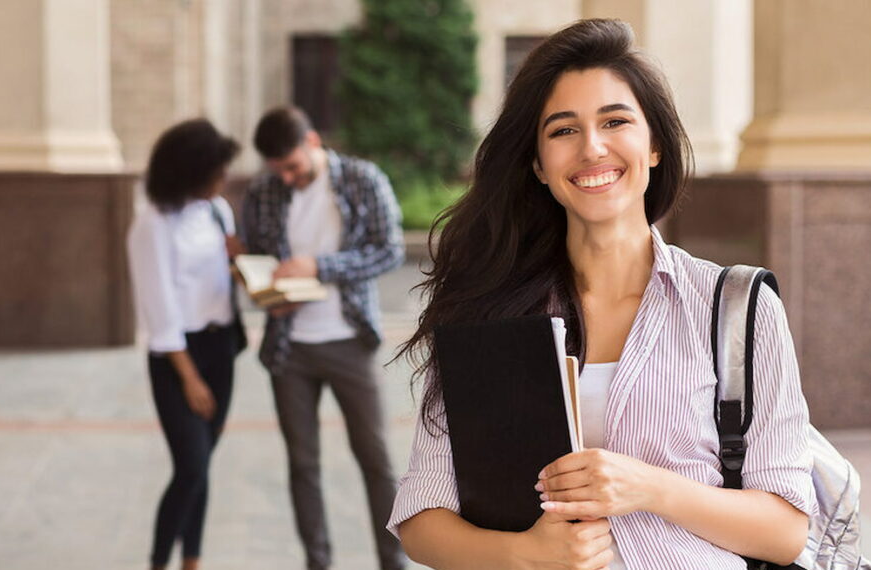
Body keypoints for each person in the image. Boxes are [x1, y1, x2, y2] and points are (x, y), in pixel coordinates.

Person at [388, 19, 815, 569]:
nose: (592, 148)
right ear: (539, 165)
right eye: (563, 130)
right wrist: (524, 554)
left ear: (654, 145)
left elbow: (785, 531)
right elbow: (423, 518)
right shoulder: (488, 310)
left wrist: (648, 487)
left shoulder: (735, 306)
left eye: (615, 121)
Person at [241, 106, 406, 570]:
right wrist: (270, 295)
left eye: (293, 167)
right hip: (288, 349)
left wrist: (320, 267)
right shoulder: (262, 192)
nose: (288, 178)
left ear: (313, 142)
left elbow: (389, 250)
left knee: (376, 461)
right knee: (303, 466)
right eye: (279, 171)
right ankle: (318, 562)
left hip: (351, 341)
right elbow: (255, 262)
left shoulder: (361, 178)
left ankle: (393, 562)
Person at [127, 118, 246, 570]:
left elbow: (219, 282)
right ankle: (159, 561)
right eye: (215, 171)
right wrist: (190, 378)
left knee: (203, 465)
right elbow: (160, 311)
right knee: (191, 466)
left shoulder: (217, 211)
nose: (224, 179)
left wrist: (238, 263)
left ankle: (191, 560)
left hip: (221, 350)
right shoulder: (152, 224)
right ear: (188, 172)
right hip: (177, 358)